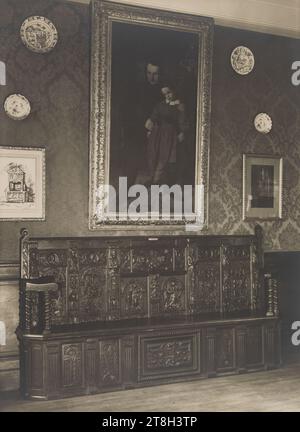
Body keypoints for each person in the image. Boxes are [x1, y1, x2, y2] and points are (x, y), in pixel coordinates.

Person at [145, 85, 188, 184]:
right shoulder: (160, 105)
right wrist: (150, 129)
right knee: (154, 154)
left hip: (170, 134)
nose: (167, 96)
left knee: (165, 157)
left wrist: (182, 132)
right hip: (158, 133)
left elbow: (182, 119)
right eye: (165, 94)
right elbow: (154, 116)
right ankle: (153, 178)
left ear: (173, 91)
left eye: (169, 93)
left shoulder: (179, 106)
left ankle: (158, 180)